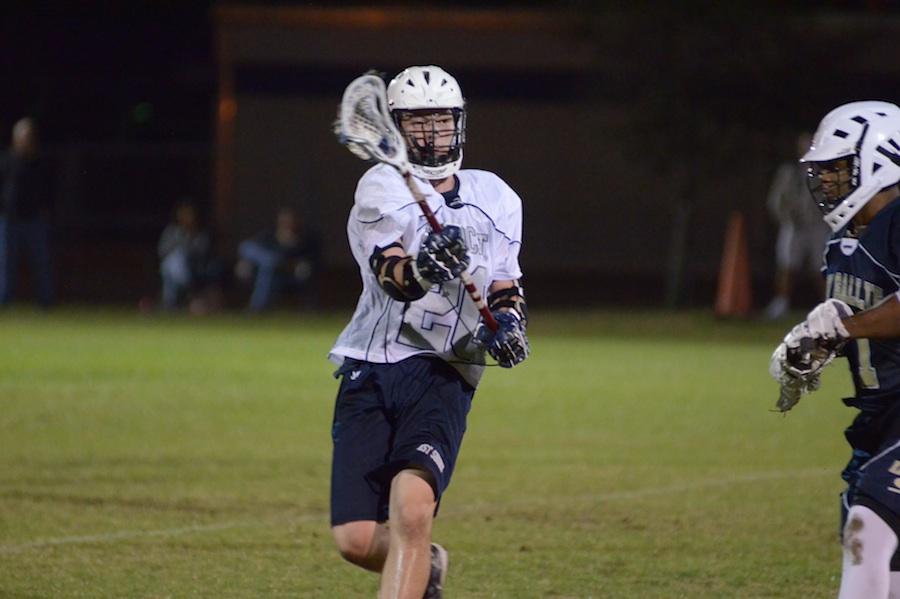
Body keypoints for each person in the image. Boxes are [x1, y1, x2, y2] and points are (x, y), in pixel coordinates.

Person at [328, 66, 529, 598]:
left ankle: (417, 561)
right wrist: (423, 269)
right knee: (353, 540)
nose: (432, 134)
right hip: (372, 364)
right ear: (397, 128)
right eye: (419, 123)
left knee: (412, 517)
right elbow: (391, 276)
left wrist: (509, 323)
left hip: (444, 371)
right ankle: (430, 567)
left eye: (442, 121)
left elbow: (506, 282)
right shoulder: (381, 184)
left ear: (459, 124)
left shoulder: (497, 196)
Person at [769, 101, 900, 599]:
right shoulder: (845, 241)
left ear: (880, 157)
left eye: (838, 168)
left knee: (867, 526)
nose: (827, 182)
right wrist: (812, 345)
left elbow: (862, 323)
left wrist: (844, 330)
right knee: (888, 578)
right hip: (880, 417)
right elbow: (857, 324)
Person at [764, 131, 833, 319]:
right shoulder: (790, 172)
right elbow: (776, 200)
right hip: (794, 225)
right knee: (787, 265)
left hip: (818, 226)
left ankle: (827, 304)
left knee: (820, 266)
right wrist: (786, 217)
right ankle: (781, 302)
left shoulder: (824, 172)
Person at [0, 117, 54, 308]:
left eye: (29, 137)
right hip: (9, 220)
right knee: (6, 264)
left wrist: (47, 209)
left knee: (41, 263)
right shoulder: (6, 160)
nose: (26, 141)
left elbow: (49, 190)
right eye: (23, 137)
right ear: (16, 138)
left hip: (34, 220)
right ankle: (5, 302)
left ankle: (45, 302)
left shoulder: (40, 163)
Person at [235, 207, 320, 312]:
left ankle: (256, 308)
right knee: (261, 260)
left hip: (288, 275)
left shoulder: (305, 240)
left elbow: (309, 261)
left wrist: (290, 246)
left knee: (268, 267)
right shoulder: (269, 236)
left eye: (290, 222)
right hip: (268, 272)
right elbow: (246, 248)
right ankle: (258, 306)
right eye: (284, 222)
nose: (287, 225)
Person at [157, 200, 221, 312]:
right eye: (184, 214)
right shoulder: (172, 232)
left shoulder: (200, 234)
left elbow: (203, 254)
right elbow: (163, 251)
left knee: (183, 259)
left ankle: (193, 298)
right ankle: (174, 302)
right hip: (174, 270)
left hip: (196, 270)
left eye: (189, 214)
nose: (187, 218)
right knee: (174, 260)